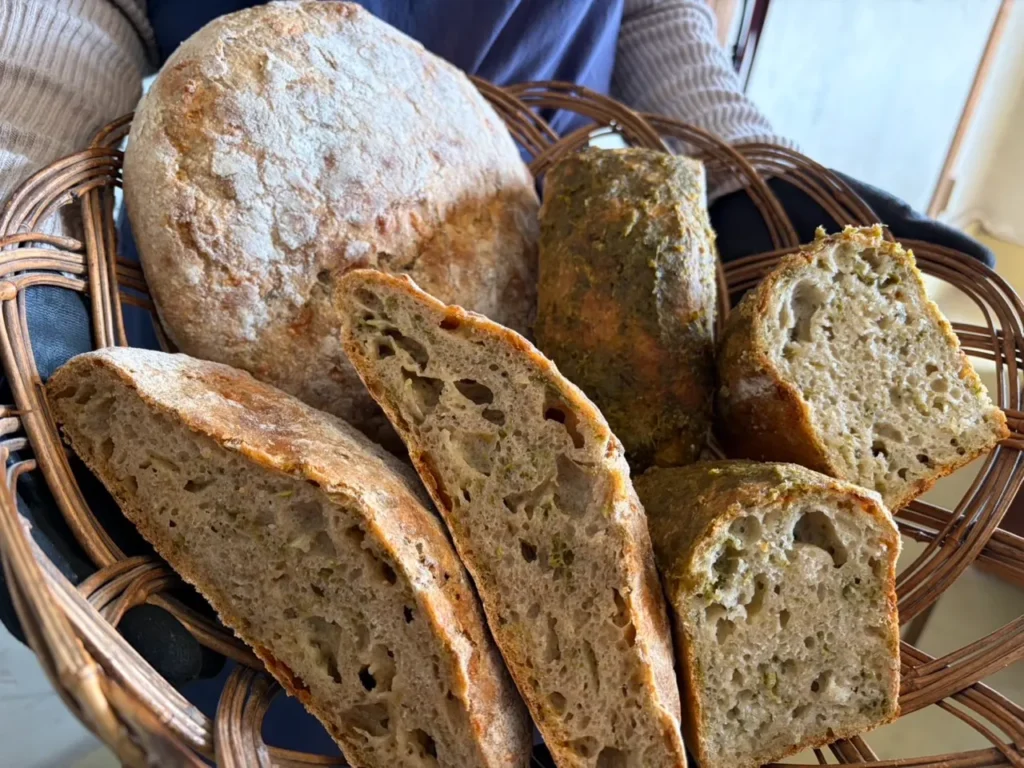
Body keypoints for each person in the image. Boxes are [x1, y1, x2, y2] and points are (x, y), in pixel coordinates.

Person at [0, 0, 994, 762]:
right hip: (237, 293)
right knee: (299, 661)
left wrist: (735, 173)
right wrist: (19, 205)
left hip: (533, 250)